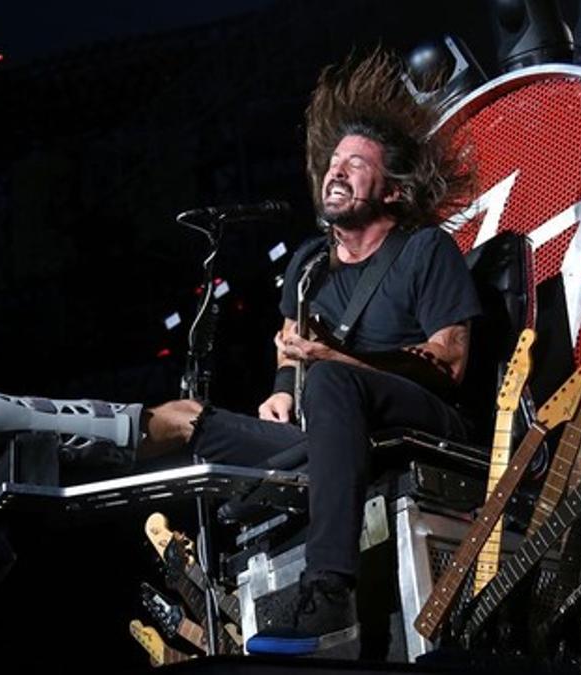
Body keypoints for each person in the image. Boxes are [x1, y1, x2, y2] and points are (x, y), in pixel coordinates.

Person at [136, 49, 482, 655]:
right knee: (193, 422)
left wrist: (331, 365)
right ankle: (64, 429)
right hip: (330, 428)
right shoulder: (307, 267)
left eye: (356, 163)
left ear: (395, 194)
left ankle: (328, 589)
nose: (336, 171)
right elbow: (292, 364)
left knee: (328, 386)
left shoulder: (427, 251)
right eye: (333, 162)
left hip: (419, 422)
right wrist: (278, 391)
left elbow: (449, 365)